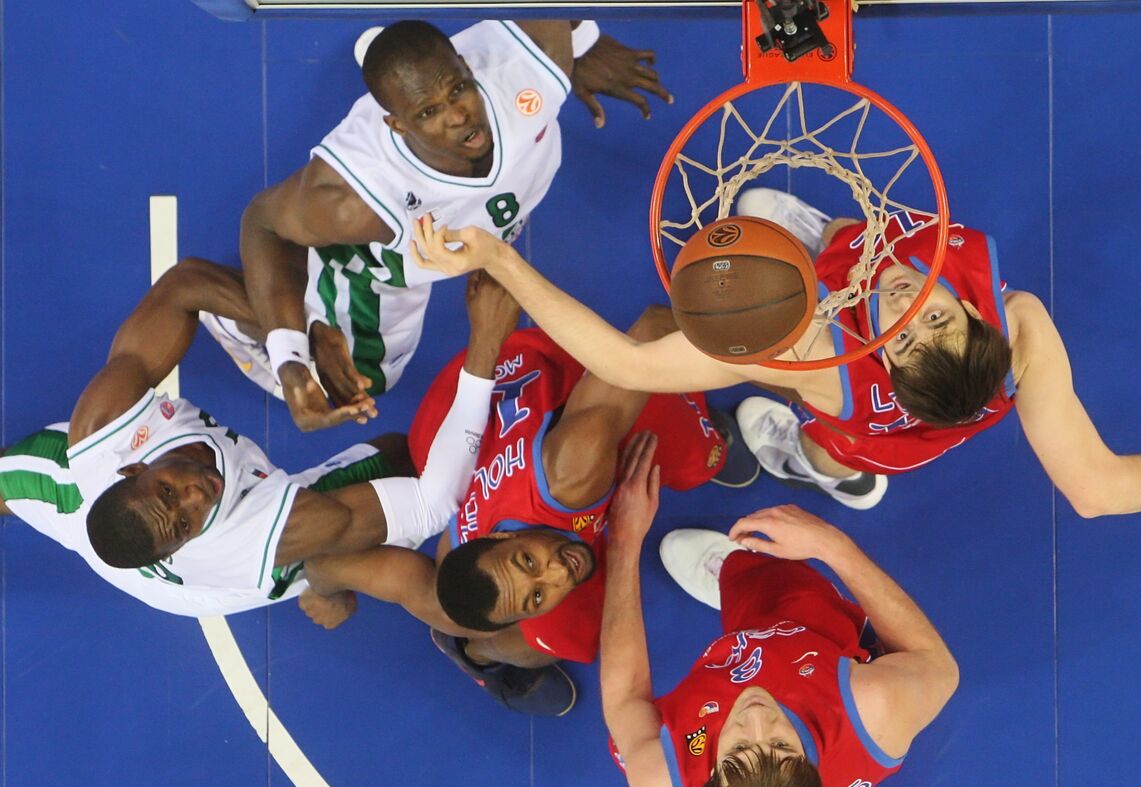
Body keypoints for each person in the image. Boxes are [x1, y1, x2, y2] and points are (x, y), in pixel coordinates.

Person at [406, 191, 1141, 513]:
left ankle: (824, 469)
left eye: (902, 340)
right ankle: (818, 253)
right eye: (937, 321)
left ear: (883, 364)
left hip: (857, 427)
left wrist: (498, 259)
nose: (905, 306)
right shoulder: (1017, 324)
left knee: (825, 441)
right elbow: (1093, 487)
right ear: (977, 324)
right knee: (776, 212)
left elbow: (631, 367)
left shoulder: (819, 359)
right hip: (946, 405)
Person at [301, 274, 757, 716]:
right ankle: (478, 657)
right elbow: (322, 563)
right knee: (549, 639)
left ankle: (703, 433)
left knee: (697, 450)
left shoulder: (575, 468)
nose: (560, 573)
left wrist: (762, 352)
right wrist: (325, 594)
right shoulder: (453, 582)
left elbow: (657, 325)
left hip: (506, 386)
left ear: (500, 540)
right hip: (450, 432)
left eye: (529, 563)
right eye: (536, 597)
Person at [211, 18, 671, 431]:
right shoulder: (354, 201)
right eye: (428, 113)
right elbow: (263, 223)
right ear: (396, 125)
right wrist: (290, 356)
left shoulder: (530, 66)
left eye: (458, 90)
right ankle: (239, 317)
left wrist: (582, 41)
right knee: (362, 380)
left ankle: (392, 59)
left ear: (469, 68)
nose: (457, 116)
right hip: (393, 254)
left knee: (437, 78)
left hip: (485, 204)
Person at [0, 257, 505, 618]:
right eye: (183, 523)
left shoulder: (103, 428)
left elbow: (183, 285)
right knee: (397, 462)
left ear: (133, 469)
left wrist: (297, 349)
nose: (195, 498)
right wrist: (484, 346)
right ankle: (477, 656)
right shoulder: (249, 537)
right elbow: (432, 504)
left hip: (77, 494)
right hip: (216, 577)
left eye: (169, 492)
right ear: (178, 545)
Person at [599, 442, 959, 787]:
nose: (756, 717)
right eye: (781, 743)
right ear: (809, 764)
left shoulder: (668, 774)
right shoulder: (871, 706)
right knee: (783, 585)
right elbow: (939, 668)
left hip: (730, 690)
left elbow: (624, 700)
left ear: (710, 773)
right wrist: (834, 545)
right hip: (799, 636)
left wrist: (624, 543)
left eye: (741, 748)